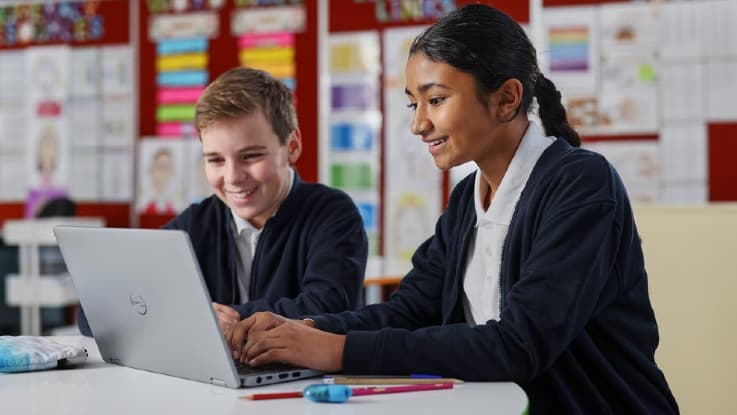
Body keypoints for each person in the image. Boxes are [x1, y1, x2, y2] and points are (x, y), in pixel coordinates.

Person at [224, 5, 679, 414]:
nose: (419, 123)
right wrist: (301, 329)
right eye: (413, 102)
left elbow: (518, 346)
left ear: (506, 98)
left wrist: (335, 350)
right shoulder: (468, 199)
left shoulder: (580, 184)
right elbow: (408, 310)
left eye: (436, 100)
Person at [77, 67, 368, 336]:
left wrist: (211, 319)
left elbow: (325, 308)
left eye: (251, 156)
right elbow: (94, 313)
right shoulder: (195, 223)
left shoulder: (333, 215)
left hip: (304, 386)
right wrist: (192, 316)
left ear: (291, 147)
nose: (233, 177)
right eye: (215, 160)